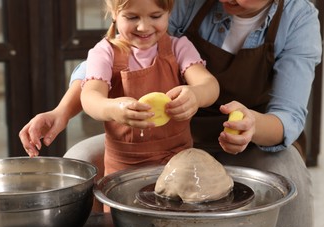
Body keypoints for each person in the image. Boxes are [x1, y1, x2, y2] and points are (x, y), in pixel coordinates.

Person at [19, 0, 322, 227]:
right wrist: (61, 112)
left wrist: (252, 127)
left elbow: (288, 116)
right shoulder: (186, 2)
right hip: (164, 134)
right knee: (81, 158)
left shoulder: (298, 18)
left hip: (252, 138)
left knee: (288, 180)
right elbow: (103, 65)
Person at [79, 0, 219, 175]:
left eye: (155, 16)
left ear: (169, 12)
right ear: (114, 13)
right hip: (124, 167)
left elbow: (210, 85)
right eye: (132, 17)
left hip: (179, 162)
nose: (144, 27)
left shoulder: (179, 47)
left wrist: (196, 95)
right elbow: (90, 97)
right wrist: (114, 109)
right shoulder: (104, 53)